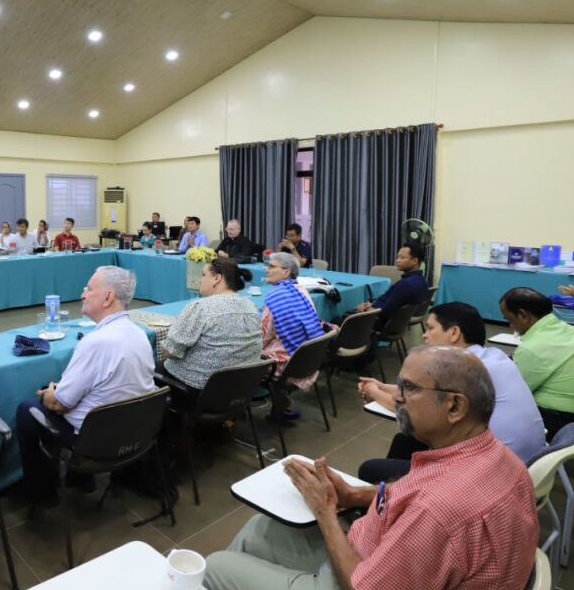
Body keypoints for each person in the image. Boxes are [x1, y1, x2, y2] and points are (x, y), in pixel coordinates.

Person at [205, 346, 538, 590]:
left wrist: (325, 510)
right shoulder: (499, 459)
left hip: (358, 578)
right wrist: (354, 495)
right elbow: (413, 496)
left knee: (215, 566)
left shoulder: (437, 511)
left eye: (409, 388)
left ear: (454, 406)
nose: (399, 398)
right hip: (379, 554)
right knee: (261, 528)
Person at [357, 302, 546, 483]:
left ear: (454, 332)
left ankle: (394, 498)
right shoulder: (493, 356)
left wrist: (373, 392)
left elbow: (411, 408)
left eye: (431, 328)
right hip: (523, 461)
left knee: (371, 469)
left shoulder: (462, 372)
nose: (424, 335)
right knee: (405, 440)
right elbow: (420, 393)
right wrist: (382, 386)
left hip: (492, 474)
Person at [14, 266, 155, 505]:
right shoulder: (140, 334)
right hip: (135, 433)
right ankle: (79, 479)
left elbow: (59, 405)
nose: (83, 294)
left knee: (27, 409)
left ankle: (40, 492)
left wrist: (49, 394)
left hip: (97, 441)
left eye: (89, 289)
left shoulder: (95, 342)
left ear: (108, 297)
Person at [500, 287, 574, 438]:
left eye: (509, 319)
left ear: (523, 315)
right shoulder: (571, 331)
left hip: (562, 422)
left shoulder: (533, 348)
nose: (510, 325)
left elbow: (513, 394)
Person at [160, 258, 263, 403]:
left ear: (217, 278)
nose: (200, 280)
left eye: (203, 275)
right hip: (239, 390)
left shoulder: (200, 307)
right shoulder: (251, 306)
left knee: (152, 367)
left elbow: (170, 352)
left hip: (197, 392)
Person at [260, 252, 328, 420]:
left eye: (271, 266)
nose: (266, 270)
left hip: (289, 363)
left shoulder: (275, 297)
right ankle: (279, 405)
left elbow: (262, 337)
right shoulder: (302, 290)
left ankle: (237, 408)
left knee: (243, 353)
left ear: (286, 272)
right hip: (309, 358)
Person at [354, 242, 429, 324]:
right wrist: (373, 305)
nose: (397, 260)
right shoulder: (422, 281)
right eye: (398, 257)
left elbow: (385, 312)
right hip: (398, 321)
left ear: (414, 261)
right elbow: (391, 303)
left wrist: (367, 310)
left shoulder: (404, 285)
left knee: (347, 317)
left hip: (381, 322)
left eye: (402, 258)